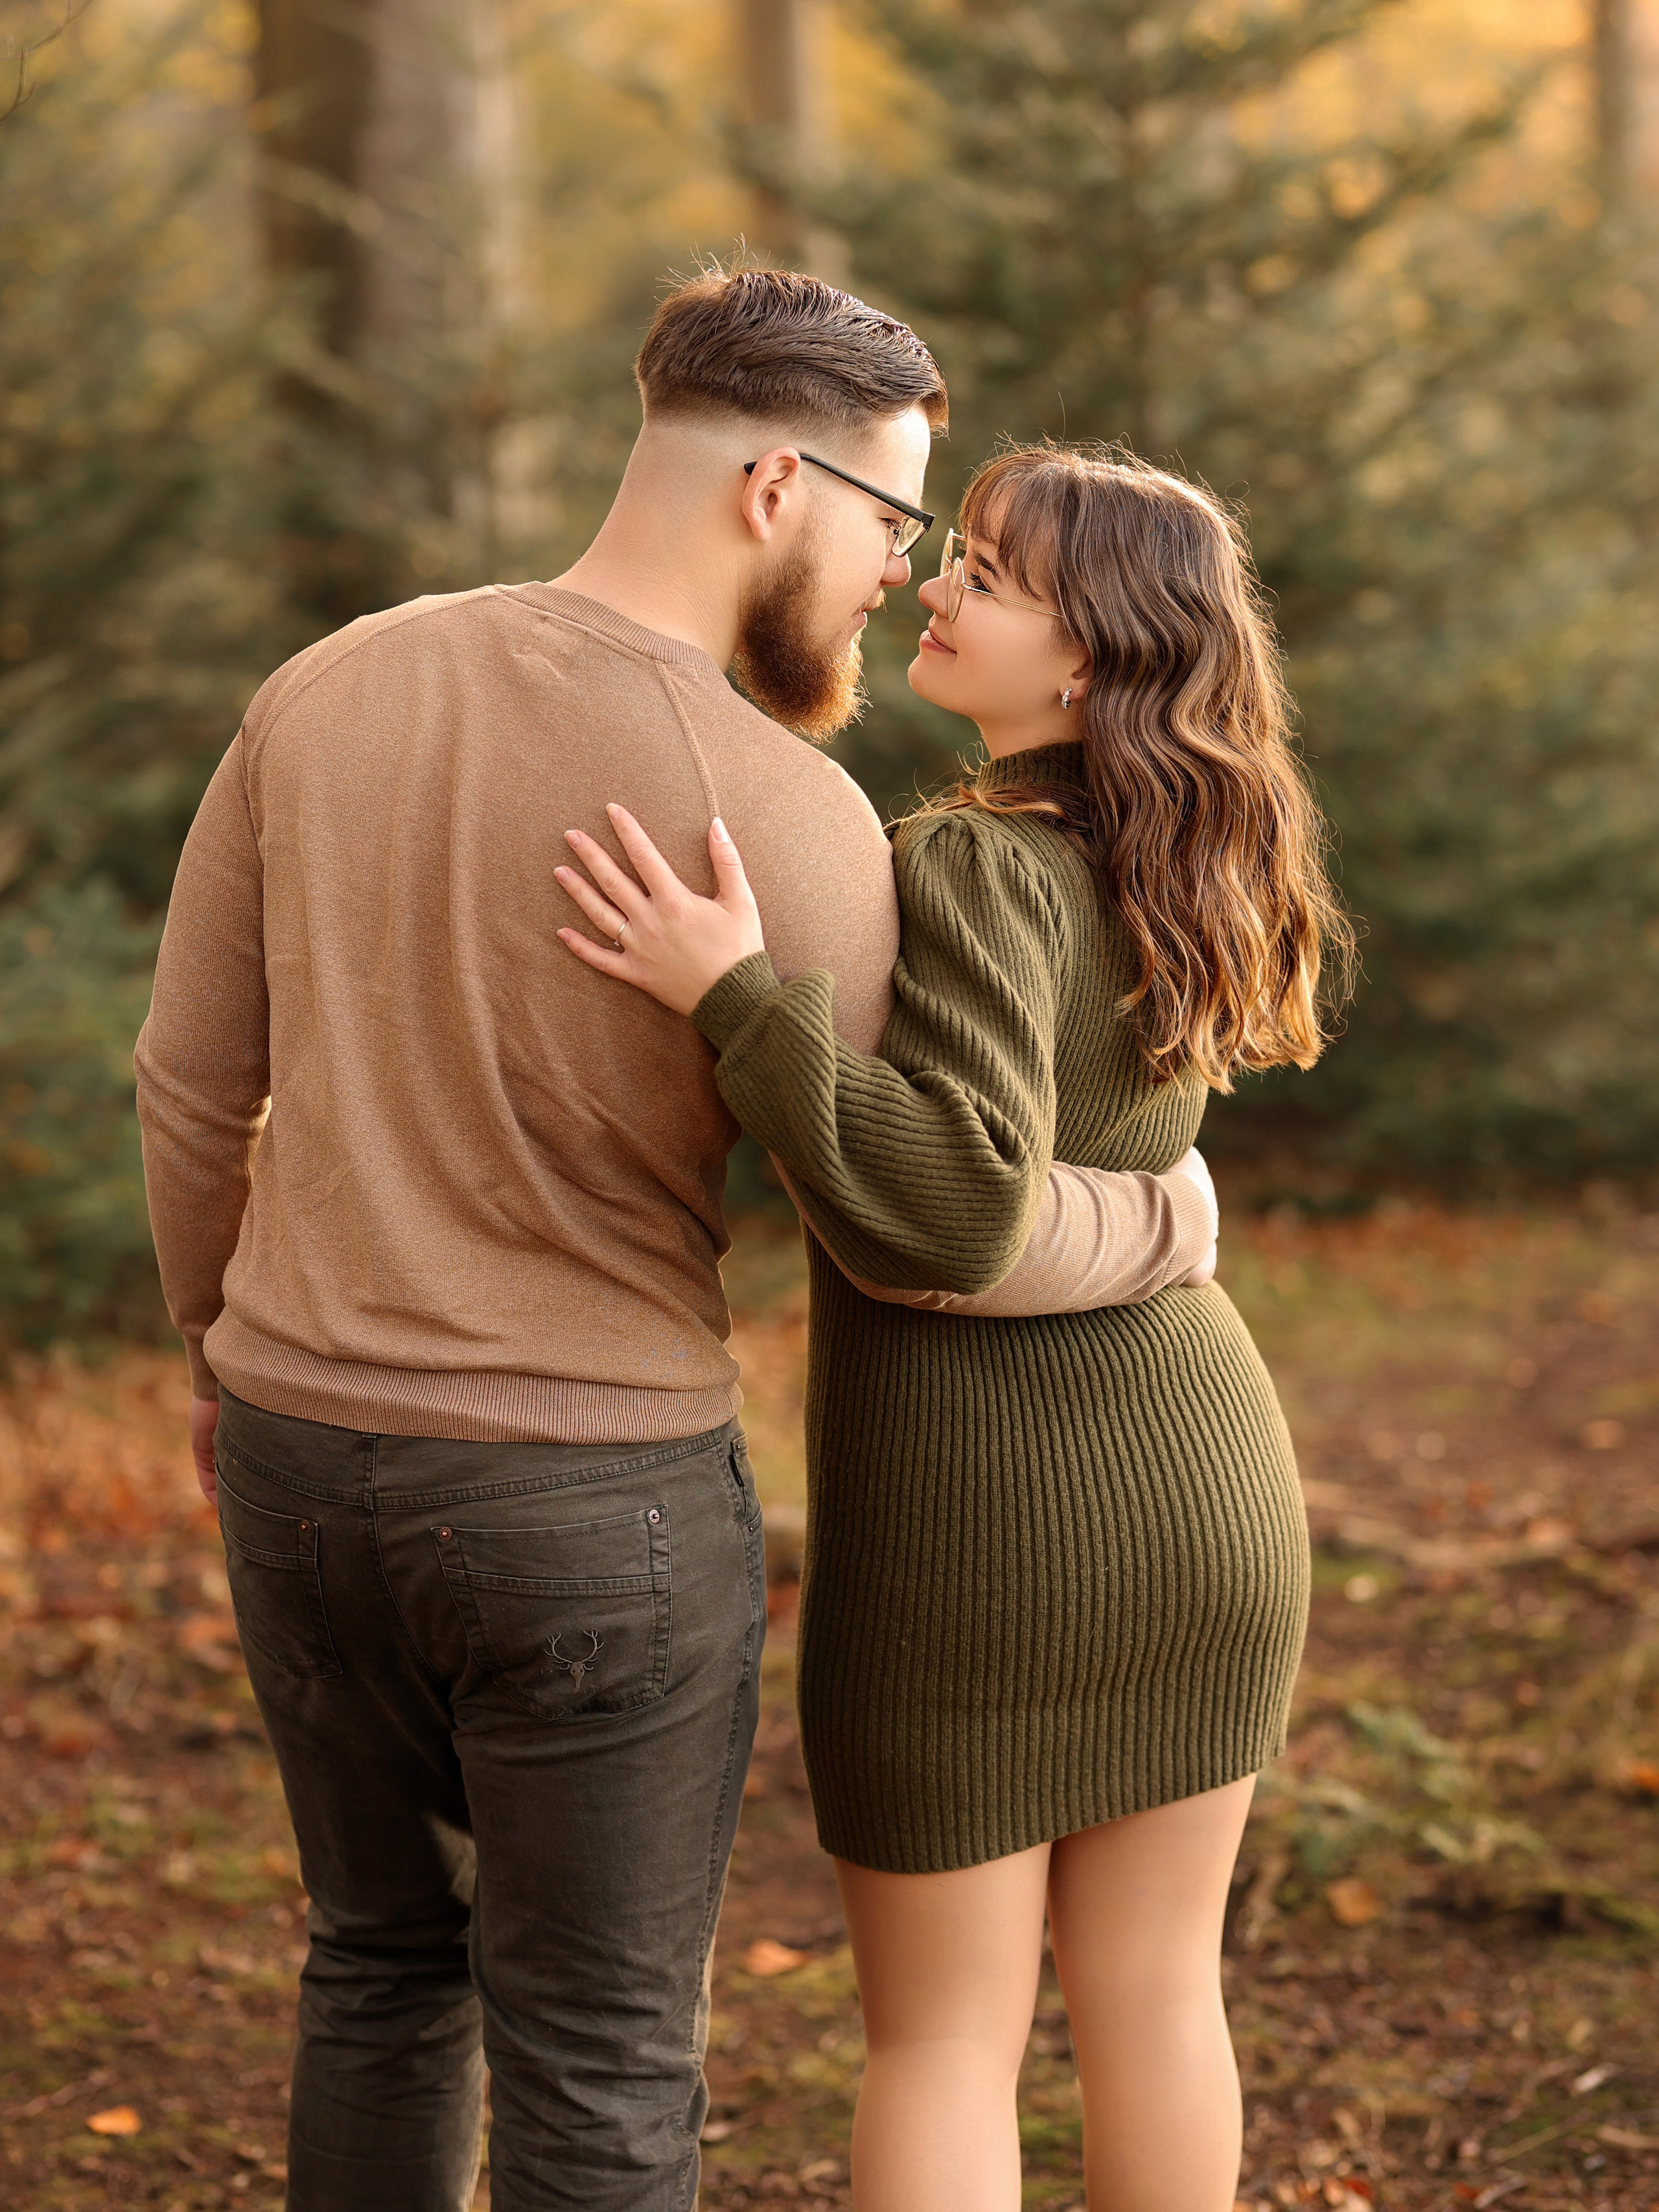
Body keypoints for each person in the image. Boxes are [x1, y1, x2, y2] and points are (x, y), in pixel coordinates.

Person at [135, 271, 1218, 2212]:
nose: (901, 574)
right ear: (773, 490)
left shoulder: (328, 684)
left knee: (374, 1971)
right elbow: (921, 1223)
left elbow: (193, 1085)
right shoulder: (791, 821)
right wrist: (1158, 1221)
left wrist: (215, 1346)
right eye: (894, 526)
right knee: (601, 2047)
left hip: (296, 1457)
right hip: (593, 1501)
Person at [556, 442, 1354, 2212]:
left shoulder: (978, 862)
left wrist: (738, 1003)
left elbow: (955, 1203)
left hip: (982, 1532)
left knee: (942, 2040)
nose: (936, 585)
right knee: (1157, 1997)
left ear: (1088, 658)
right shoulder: (1179, 847)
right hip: (1206, 1494)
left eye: (987, 576)